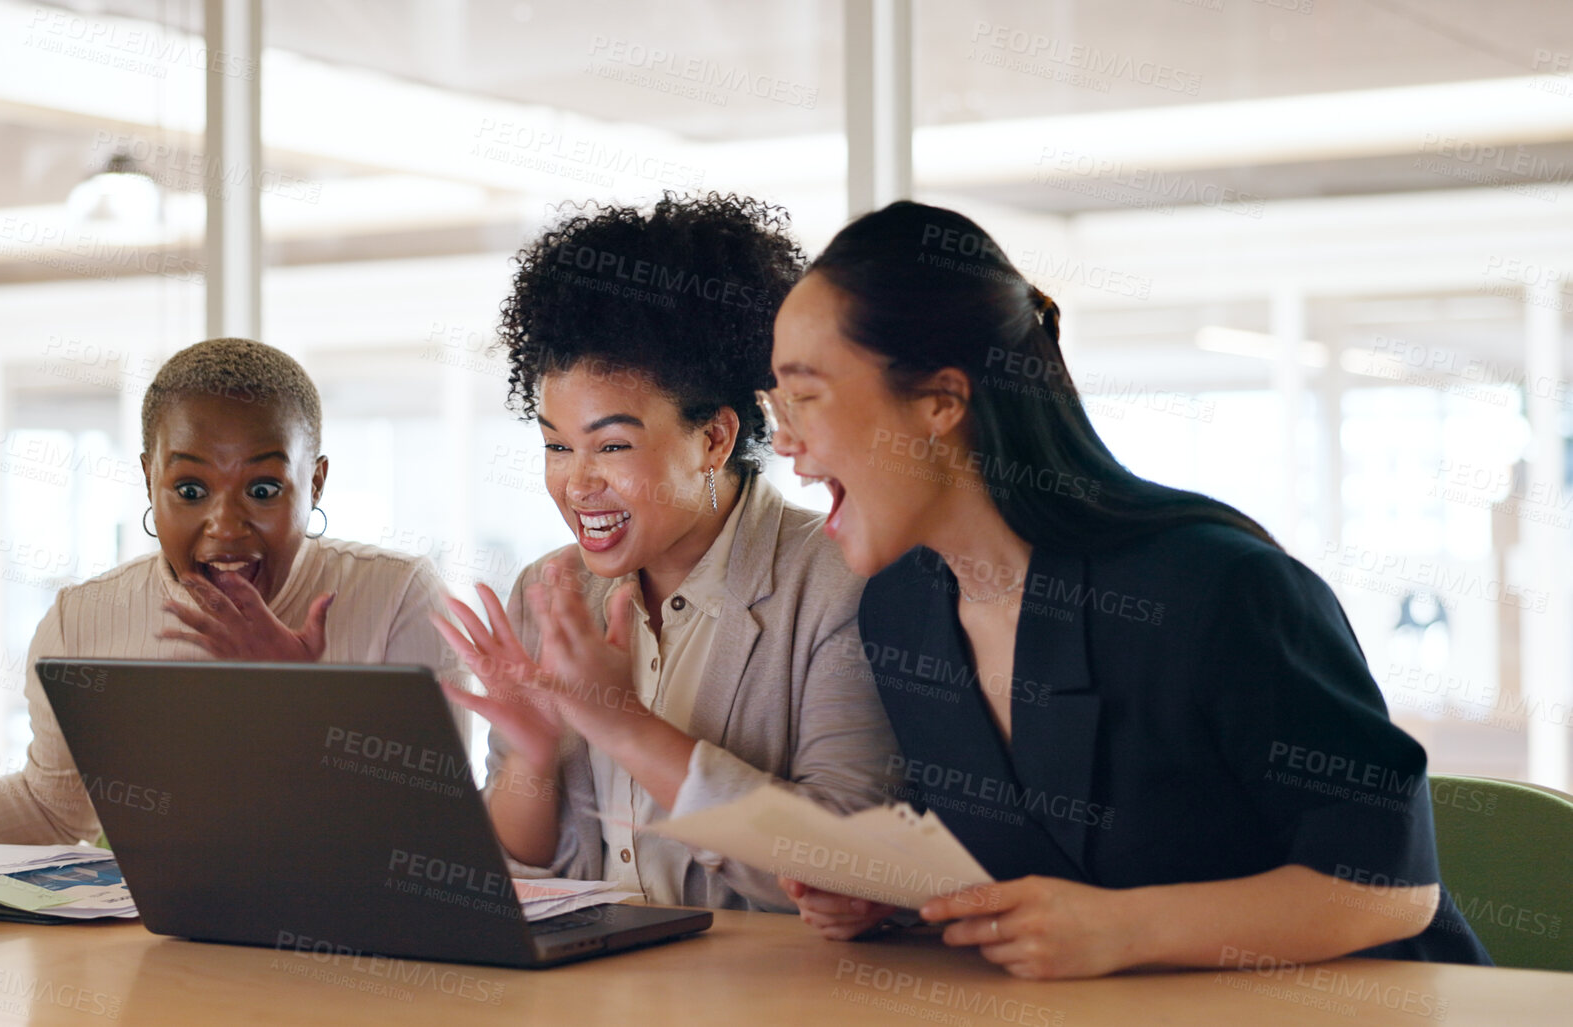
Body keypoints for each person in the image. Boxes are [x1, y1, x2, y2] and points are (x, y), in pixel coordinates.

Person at [766, 201, 1491, 977]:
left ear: (941, 400)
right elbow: (1051, 861)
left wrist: (1124, 928)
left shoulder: (1218, 590)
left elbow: (1389, 888)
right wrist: (904, 896)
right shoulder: (901, 609)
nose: (783, 439)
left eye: (805, 396)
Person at [433, 194, 901, 911]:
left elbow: (849, 861)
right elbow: (522, 867)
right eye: (556, 445)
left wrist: (622, 723)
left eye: (611, 445)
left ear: (714, 438)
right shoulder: (553, 588)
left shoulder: (841, 582)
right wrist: (532, 756)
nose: (575, 482)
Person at [0, 337, 463, 844]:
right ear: (149, 481)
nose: (225, 524)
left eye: (263, 490)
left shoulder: (398, 597)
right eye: (190, 491)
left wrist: (293, 694)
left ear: (316, 483)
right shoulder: (85, 620)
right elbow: (53, 808)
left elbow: (431, 834)